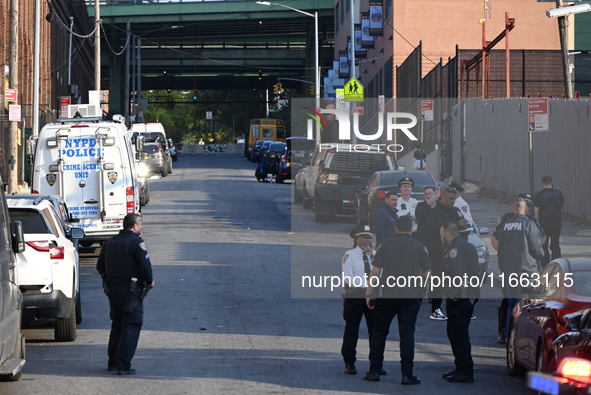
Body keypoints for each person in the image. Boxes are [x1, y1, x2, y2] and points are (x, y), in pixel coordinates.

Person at [363, 216, 431, 385]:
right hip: (410, 296)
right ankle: (407, 374)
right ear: (411, 229)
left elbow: (375, 272)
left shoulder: (385, 245)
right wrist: (421, 287)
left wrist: (369, 293)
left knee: (379, 332)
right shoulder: (419, 246)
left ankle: (374, 370)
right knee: (407, 335)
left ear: (395, 228)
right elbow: (427, 272)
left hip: (388, 295)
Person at [96, 213, 155, 375]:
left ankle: (113, 361)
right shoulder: (137, 243)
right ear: (135, 226)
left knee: (118, 325)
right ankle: (123, 365)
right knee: (131, 325)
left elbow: (100, 266)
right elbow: (145, 266)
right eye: (141, 224)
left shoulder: (109, 242)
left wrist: (111, 279)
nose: (142, 227)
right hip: (131, 291)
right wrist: (149, 281)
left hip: (113, 291)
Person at [491, 198, 545, 343]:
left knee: (510, 304)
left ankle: (508, 335)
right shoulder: (529, 224)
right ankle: (520, 337)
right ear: (526, 209)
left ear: (513, 208)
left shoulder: (505, 224)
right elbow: (536, 248)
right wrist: (542, 256)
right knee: (524, 305)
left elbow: (497, 242)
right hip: (526, 270)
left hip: (509, 270)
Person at [440, 221, 480, 383]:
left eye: (441, 233)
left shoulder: (455, 248)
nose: (441, 237)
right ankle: (460, 367)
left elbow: (455, 271)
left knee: (458, 334)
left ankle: (465, 371)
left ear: (447, 233)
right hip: (466, 296)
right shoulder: (467, 245)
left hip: (459, 296)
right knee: (456, 332)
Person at [425, 187, 469, 321]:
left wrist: (464, 226)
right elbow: (441, 230)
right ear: (443, 197)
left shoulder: (455, 211)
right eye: (450, 198)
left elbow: (461, 226)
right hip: (440, 252)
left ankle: (459, 308)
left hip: (456, 252)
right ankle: (436, 309)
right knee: (438, 281)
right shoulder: (436, 212)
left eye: (454, 199)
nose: (452, 201)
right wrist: (457, 224)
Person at [341, 225, 378, 375]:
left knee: (375, 331)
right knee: (352, 329)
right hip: (356, 295)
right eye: (364, 237)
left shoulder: (375, 255)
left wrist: (373, 258)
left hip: (373, 296)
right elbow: (347, 277)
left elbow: (381, 274)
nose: (368, 240)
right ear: (357, 239)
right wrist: (363, 288)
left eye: (369, 237)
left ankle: (376, 363)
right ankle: (349, 361)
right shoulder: (349, 255)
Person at [533, 175, 565, 267]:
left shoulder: (539, 195)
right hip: (556, 222)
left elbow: (536, 209)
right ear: (552, 183)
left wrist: (536, 221)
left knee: (544, 245)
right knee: (555, 244)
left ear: (543, 184)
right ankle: (556, 264)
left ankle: (545, 265)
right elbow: (561, 205)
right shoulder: (559, 193)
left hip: (544, 223)